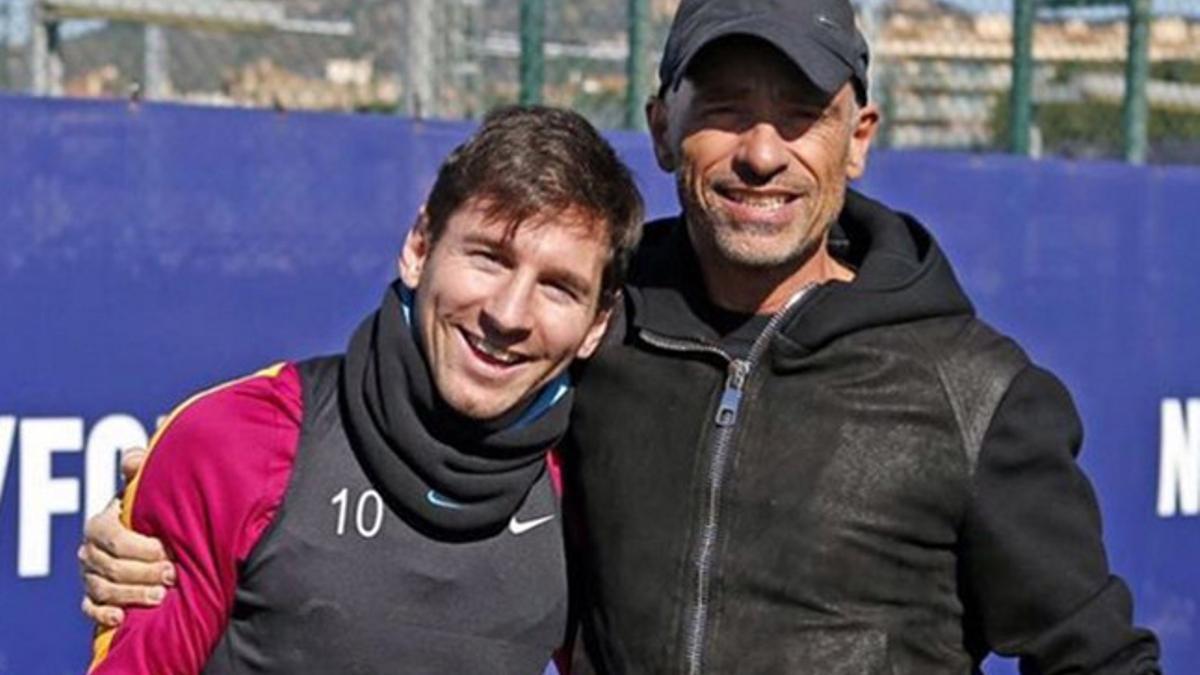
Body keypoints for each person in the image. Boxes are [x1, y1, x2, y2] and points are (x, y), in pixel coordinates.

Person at [82, 0, 1163, 673]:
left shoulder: (979, 397)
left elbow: (1097, 658)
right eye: (725, 108)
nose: (760, 151)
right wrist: (159, 516)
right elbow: (354, 456)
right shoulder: (597, 322)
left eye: (800, 115)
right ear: (661, 129)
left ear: (859, 139)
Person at [82, 105, 643, 674]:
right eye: (489, 258)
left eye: (559, 288)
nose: (508, 313)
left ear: (598, 323)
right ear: (419, 248)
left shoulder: (594, 491)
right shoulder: (236, 441)